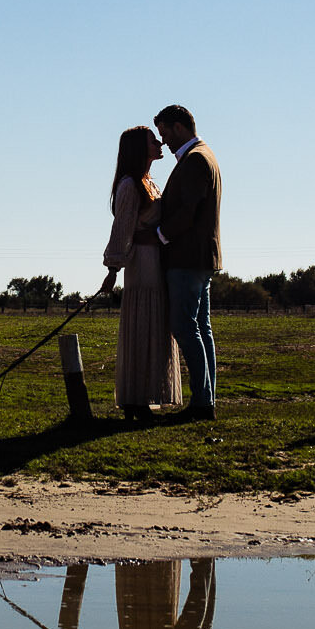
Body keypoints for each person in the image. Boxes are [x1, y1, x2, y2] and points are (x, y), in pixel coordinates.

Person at [141, 104, 222, 419]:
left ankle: (203, 402)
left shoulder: (195, 160)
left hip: (188, 256)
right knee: (201, 327)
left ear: (177, 127)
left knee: (185, 326)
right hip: (202, 257)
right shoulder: (204, 155)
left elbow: (187, 212)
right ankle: (206, 398)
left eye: (164, 133)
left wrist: (159, 235)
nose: (164, 142)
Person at [99, 126, 181, 419]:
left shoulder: (149, 183)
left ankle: (148, 393)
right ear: (139, 148)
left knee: (155, 324)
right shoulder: (130, 186)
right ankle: (136, 398)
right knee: (143, 324)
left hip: (156, 262)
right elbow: (122, 229)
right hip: (142, 264)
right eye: (152, 140)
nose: (160, 144)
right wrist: (112, 269)